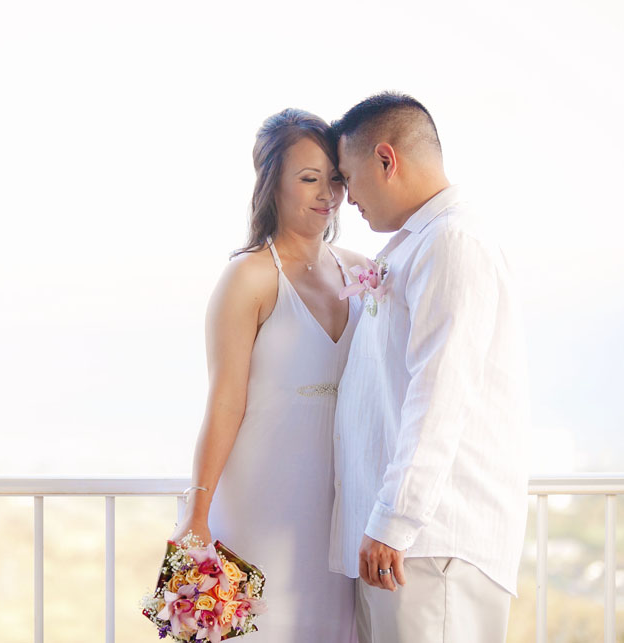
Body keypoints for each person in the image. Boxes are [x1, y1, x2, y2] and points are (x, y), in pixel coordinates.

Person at [329, 91, 531, 643]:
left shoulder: (453, 241)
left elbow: (440, 394)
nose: (348, 200)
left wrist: (395, 520)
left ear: (386, 160)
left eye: (348, 178)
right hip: (401, 545)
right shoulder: (416, 244)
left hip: (429, 543)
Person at [169, 107, 366, 642]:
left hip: (338, 505)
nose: (327, 194)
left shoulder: (363, 271)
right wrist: (197, 512)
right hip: (260, 498)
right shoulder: (248, 277)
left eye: (335, 179)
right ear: (271, 184)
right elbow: (225, 401)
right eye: (308, 179)